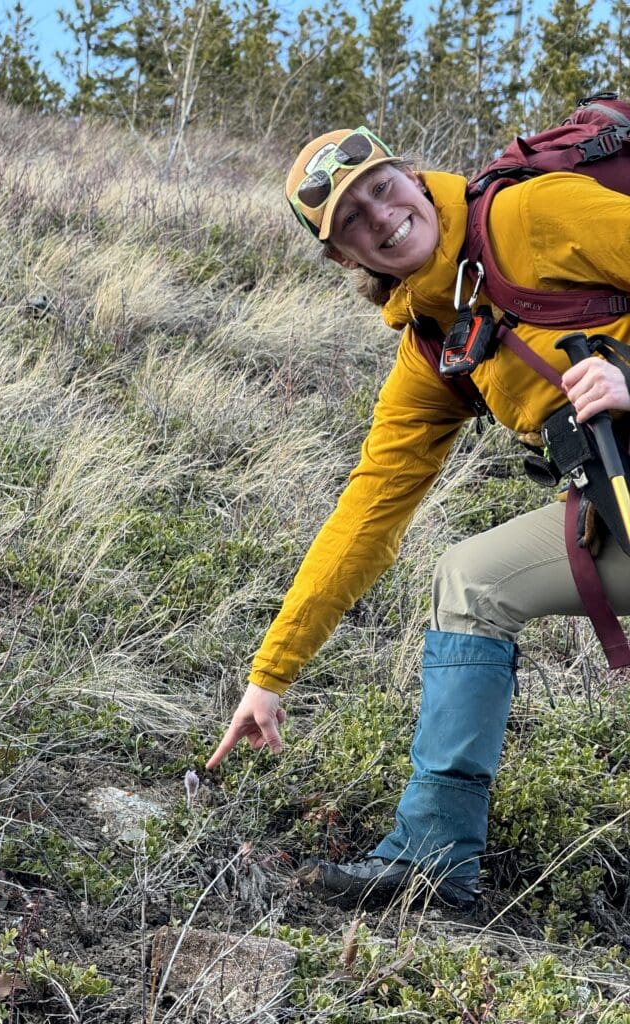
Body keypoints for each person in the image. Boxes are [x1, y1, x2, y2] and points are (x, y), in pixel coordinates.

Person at [205, 125, 630, 912]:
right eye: (354, 220)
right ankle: (434, 858)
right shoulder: (436, 346)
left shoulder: (531, 216)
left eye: (379, 185)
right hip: (622, 504)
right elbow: (367, 512)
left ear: (406, 171)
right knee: (470, 581)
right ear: (345, 258)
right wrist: (270, 674)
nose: (383, 214)